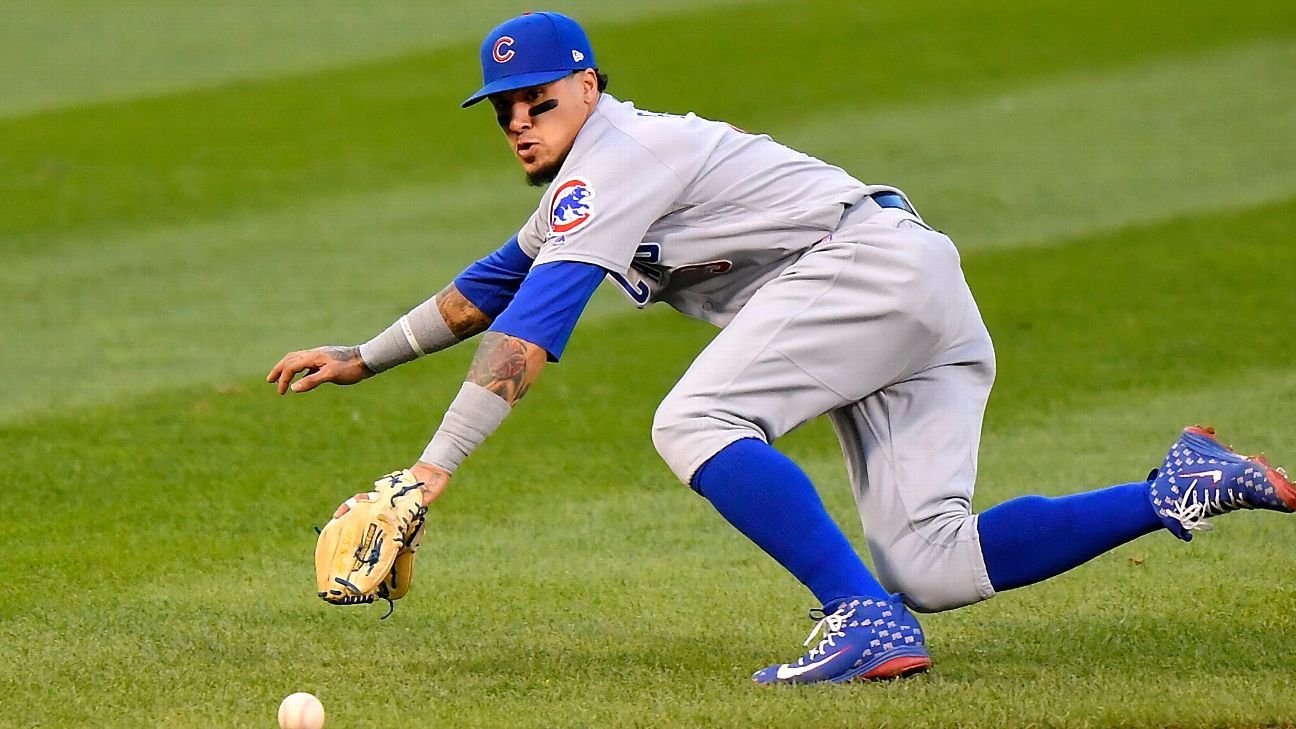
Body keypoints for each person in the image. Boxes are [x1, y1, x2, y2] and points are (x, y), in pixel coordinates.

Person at [267, 12, 1295, 684]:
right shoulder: (587, 189)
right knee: (933, 563)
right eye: (507, 113)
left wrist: (429, 473)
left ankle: (858, 615)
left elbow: (527, 342)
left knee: (696, 420)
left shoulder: (618, 156)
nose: (523, 125)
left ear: (590, 87)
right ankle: (1179, 487)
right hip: (905, 286)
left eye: (542, 100)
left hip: (860, 272)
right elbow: (490, 291)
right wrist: (362, 355)